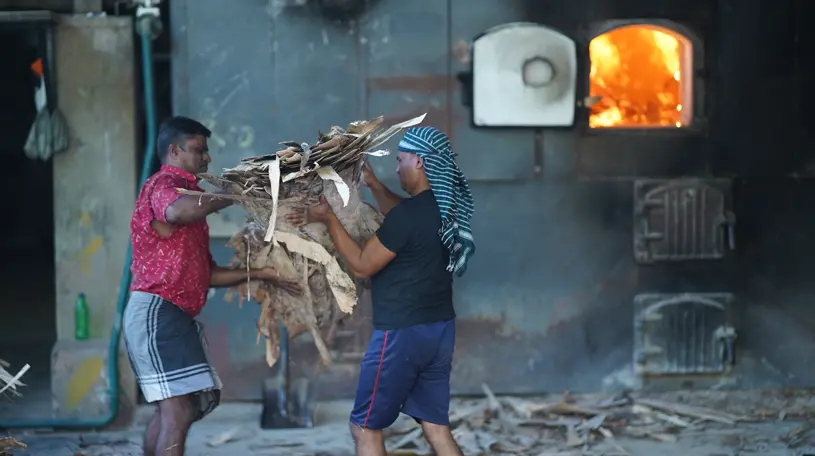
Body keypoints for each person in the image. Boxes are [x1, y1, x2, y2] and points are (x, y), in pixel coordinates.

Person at [287, 126, 475, 456]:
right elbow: (403, 216)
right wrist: (373, 185)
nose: (396, 167)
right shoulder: (442, 211)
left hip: (401, 334)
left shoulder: (406, 217)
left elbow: (361, 265)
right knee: (436, 427)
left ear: (418, 161)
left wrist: (329, 217)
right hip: (439, 330)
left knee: (364, 427)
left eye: (401, 160)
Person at [124, 116, 301, 456]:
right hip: (156, 313)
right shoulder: (165, 185)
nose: (206, 158)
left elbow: (208, 275)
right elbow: (176, 212)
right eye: (198, 151)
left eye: (206, 151)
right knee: (177, 411)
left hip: (167, 316)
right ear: (174, 151)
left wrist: (264, 273)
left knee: (175, 410)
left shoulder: (191, 199)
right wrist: (235, 193)